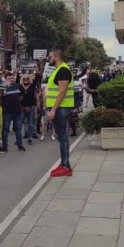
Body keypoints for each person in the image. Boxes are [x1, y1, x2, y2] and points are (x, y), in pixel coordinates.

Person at [45, 49, 75, 177]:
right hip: (59, 108)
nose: (48, 58)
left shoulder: (63, 70)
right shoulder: (59, 70)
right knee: (60, 136)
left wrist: (53, 109)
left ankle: (65, 165)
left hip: (61, 108)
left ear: (56, 57)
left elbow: (62, 91)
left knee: (62, 137)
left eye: (50, 56)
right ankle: (64, 163)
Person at [1, 72, 26, 152]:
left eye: (12, 78)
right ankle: (5, 146)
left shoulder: (18, 86)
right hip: (7, 111)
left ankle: (20, 145)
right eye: (9, 78)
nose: (11, 80)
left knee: (18, 129)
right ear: (5, 79)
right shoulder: (2, 87)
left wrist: (18, 102)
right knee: (5, 129)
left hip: (17, 111)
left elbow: (22, 95)